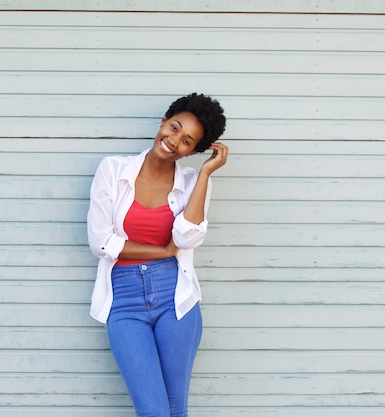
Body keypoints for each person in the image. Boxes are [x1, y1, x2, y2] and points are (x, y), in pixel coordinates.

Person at [86, 93, 228, 417]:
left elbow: (186, 237)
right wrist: (161, 251)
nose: (174, 140)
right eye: (174, 127)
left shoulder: (193, 182)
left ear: (193, 151)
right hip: (124, 300)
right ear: (163, 122)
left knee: (176, 409)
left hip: (175, 298)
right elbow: (100, 241)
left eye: (187, 140)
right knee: (153, 411)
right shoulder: (113, 170)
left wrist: (205, 174)